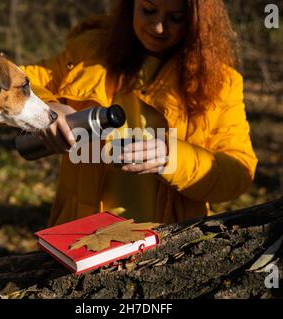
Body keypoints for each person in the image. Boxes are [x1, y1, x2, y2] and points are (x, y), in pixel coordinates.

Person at [21, 0, 258, 226]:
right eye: (148, 10)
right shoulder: (89, 53)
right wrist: (47, 107)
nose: (158, 27)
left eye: (175, 18)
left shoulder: (219, 83)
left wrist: (172, 157)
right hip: (80, 241)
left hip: (166, 250)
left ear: (198, 21)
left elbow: (239, 171)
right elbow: (14, 82)